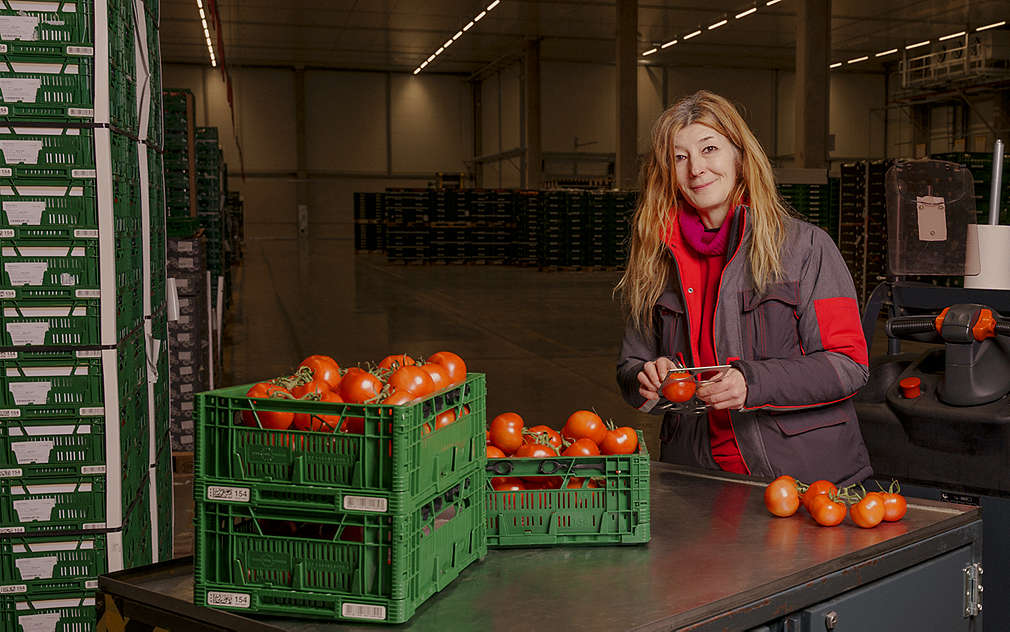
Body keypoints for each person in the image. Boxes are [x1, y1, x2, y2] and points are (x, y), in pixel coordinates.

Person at [615, 90, 871, 487]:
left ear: (739, 156)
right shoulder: (656, 260)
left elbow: (849, 364)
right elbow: (631, 368)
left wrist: (754, 383)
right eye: (679, 157)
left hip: (801, 480)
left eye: (709, 148)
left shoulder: (806, 248)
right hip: (695, 478)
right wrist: (647, 379)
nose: (696, 169)